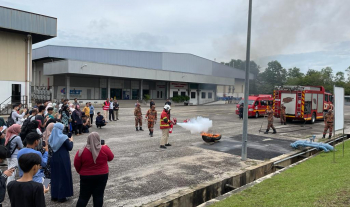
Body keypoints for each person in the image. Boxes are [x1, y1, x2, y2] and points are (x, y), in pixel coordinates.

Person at [74, 132, 114, 207]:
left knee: (83, 197)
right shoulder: (104, 149)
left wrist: (81, 172)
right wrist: (106, 147)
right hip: (102, 175)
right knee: (98, 196)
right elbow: (111, 157)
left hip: (86, 176)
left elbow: (76, 164)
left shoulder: (82, 150)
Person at [49, 123, 74, 202]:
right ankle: (62, 196)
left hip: (54, 157)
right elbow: (70, 147)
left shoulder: (51, 137)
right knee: (63, 176)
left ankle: (54, 195)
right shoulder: (63, 137)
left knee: (55, 176)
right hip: (63, 158)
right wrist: (71, 141)